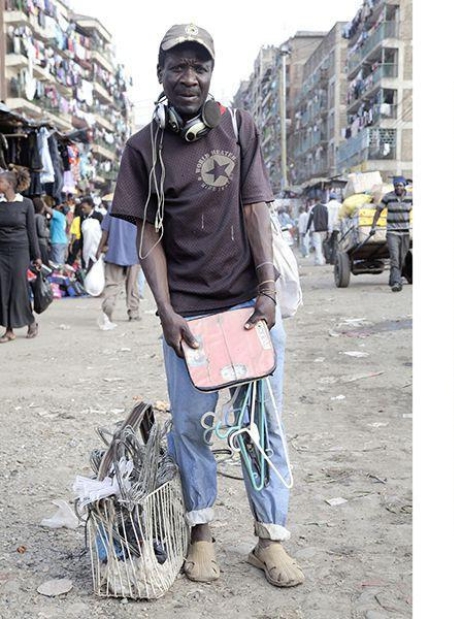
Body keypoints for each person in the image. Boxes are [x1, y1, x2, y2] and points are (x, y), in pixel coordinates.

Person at [110, 24, 303, 588]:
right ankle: (201, 534)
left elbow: (254, 210)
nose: (188, 77)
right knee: (192, 425)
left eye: (199, 66)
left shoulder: (239, 128)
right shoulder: (143, 146)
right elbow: (146, 232)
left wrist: (266, 289)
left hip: (247, 305)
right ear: (160, 72)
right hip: (188, 312)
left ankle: (269, 540)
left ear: (211, 72)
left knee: (261, 424)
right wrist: (166, 312)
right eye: (177, 66)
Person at [0, 169, 42, 342]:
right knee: (2, 289)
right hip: (1, 252)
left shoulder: (26, 204)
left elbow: (32, 232)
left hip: (20, 251)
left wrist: (37, 256)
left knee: (19, 289)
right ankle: (9, 330)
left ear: (9, 184)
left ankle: (31, 321)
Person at [94, 213, 141, 327]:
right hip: (134, 253)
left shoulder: (114, 208)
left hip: (115, 253)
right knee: (132, 286)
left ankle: (108, 307)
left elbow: (105, 232)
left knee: (112, 285)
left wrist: (99, 249)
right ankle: (134, 313)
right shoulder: (138, 208)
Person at [371, 176, 412, 292]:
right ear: (394, 186)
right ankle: (396, 282)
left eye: (400, 185)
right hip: (392, 232)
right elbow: (378, 211)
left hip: (405, 232)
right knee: (394, 257)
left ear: (404, 186)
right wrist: (373, 226)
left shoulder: (411, 197)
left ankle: (392, 278)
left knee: (401, 258)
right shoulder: (388, 197)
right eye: (396, 186)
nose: (398, 188)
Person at [307, 199, 329, 265]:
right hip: (324, 229)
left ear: (315, 201)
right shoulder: (325, 208)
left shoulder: (313, 209)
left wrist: (307, 229)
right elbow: (327, 218)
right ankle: (322, 259)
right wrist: (328, 229)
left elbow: (310, 219)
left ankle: (320, 261)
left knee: (318, 245)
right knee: (322, 245)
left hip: (316, 229)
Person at [32, 197, 51, 267]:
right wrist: (49, 233)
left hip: (35, 243)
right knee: (44, 265)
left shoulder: (32, 216)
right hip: (41, 243)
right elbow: (41, 232)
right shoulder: (39, 217)